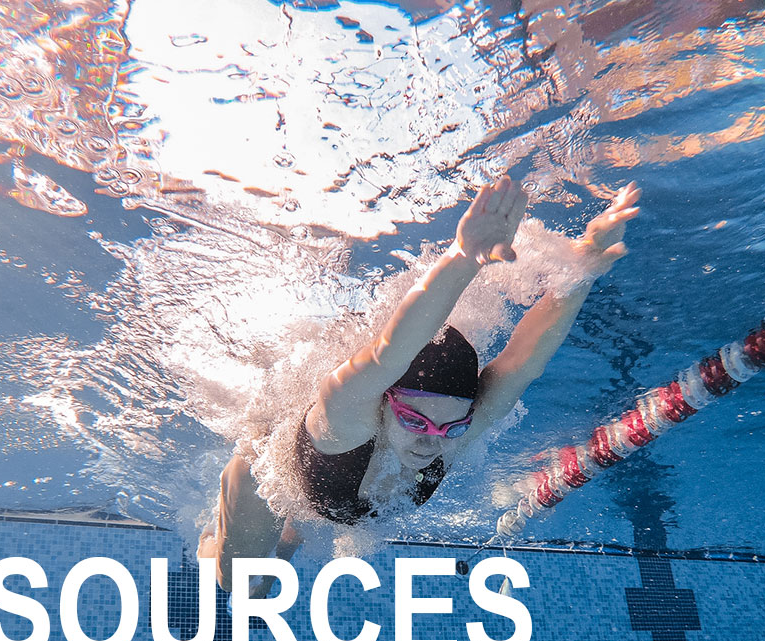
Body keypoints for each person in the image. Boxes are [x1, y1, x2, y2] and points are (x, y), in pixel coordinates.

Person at [199, 177, 641, 592]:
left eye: (451, 428)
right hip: (268, 473)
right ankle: (225, 534)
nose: (433, 442)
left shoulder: (451, 434)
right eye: (415, 420)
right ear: (385, 400)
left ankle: (290, 535)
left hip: (327, 496)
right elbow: (388, 353)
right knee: (238, 584)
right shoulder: (344, 419)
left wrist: (579, 273)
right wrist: (464, 257)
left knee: (290, 536)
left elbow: (521, 366)